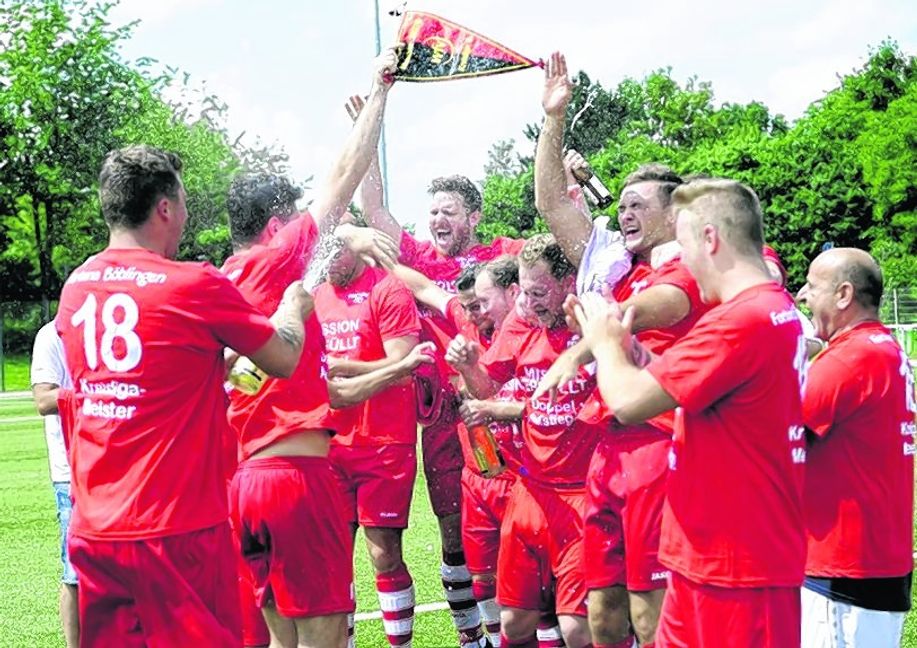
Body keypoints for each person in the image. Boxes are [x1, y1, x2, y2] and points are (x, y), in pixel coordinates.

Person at [54, 145, 313, 646]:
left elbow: (159, 375)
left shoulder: (76, 285)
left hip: (96, 528)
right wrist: (292, 307)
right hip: (176, 529)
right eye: (185, 203)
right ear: (165, 208)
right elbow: (282, 357)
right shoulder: (191, 283)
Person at [221, 49, 407, 648]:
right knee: (325, 637)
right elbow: (343, 177)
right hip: (297, 479)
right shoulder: (278, 260)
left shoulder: (221, 280)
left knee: (281, 640)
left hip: (244, 483)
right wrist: (379, 93)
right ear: (277, 226)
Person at [573, 178, 807, 647]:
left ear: (710, 240)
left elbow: (628, 401)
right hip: (716, 546)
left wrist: (605, 339)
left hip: (736, 562)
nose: (676, 268)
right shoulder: (766, 310)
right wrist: (644, 358)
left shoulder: (738, 320)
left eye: (681, 248)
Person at [535, 51, 711, 648]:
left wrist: (576, 349)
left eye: (639, 205)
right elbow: (552, 205)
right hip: (606, 448)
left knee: (650, 610)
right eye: (622, 203)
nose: (623, 212)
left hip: (661, 447)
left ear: (675, 215)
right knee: (600, 611)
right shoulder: (617, 263)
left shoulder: (690, 269)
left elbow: (629, 316)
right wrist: (551, 120)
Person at [356, 99, 525, 646]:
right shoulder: (421, 263)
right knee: (458, 536)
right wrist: (369, 131)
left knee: (520, 527)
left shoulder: (503, 257)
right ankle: (474, 637)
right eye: (432, 212)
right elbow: (375, 212)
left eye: (448, 210)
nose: (437, 220)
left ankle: (531, 625)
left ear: (474, 217)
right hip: (449, 418)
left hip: (505, 405)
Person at [447, 234, 603, 648]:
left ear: (569, 282)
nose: (530, 304)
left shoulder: (592, 323)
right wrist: (467, 367)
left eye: (539, 292)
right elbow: (486, 387)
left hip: (582, 493)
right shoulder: (521, 325)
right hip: (530, 492)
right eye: (525, 292)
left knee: (577, 628)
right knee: (514, 624)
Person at [311, 211, 424, 648]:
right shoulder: (315, 293)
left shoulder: (388, 288)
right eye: (319, 250)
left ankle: (401, 644)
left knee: (383, 553)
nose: (326, 259)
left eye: (334, 248)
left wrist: (343, 367)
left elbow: (404, 365)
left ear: (357, 244)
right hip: (328, 442)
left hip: (382, 443)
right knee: (333, 560)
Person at [797, 248, 915, 647]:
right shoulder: (883, 350)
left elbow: (779, 436)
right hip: (874, 560)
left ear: (844, 295)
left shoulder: (849, 359)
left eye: (812, 287)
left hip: (842, 567)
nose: (802, 296)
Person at [30, 322, 78, 648]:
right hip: (72, 473)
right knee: (75, 575)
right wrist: (99, 391)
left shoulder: (118, 325)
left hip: (125, 467)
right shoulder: (52, 335)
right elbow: (43, 400)